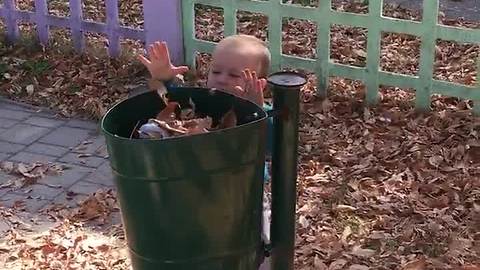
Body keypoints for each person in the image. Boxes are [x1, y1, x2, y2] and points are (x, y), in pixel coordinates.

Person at [138, 34, 273, 244]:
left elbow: (271, 141)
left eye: (235, 75)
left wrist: (255, 108)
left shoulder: (260, 111)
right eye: (216, 71)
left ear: (259, 83)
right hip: (196, 189)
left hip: (243, 191)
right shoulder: (204, 101)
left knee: (256, 239)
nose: (221, 78)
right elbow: (174, 104)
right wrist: (164, 78)